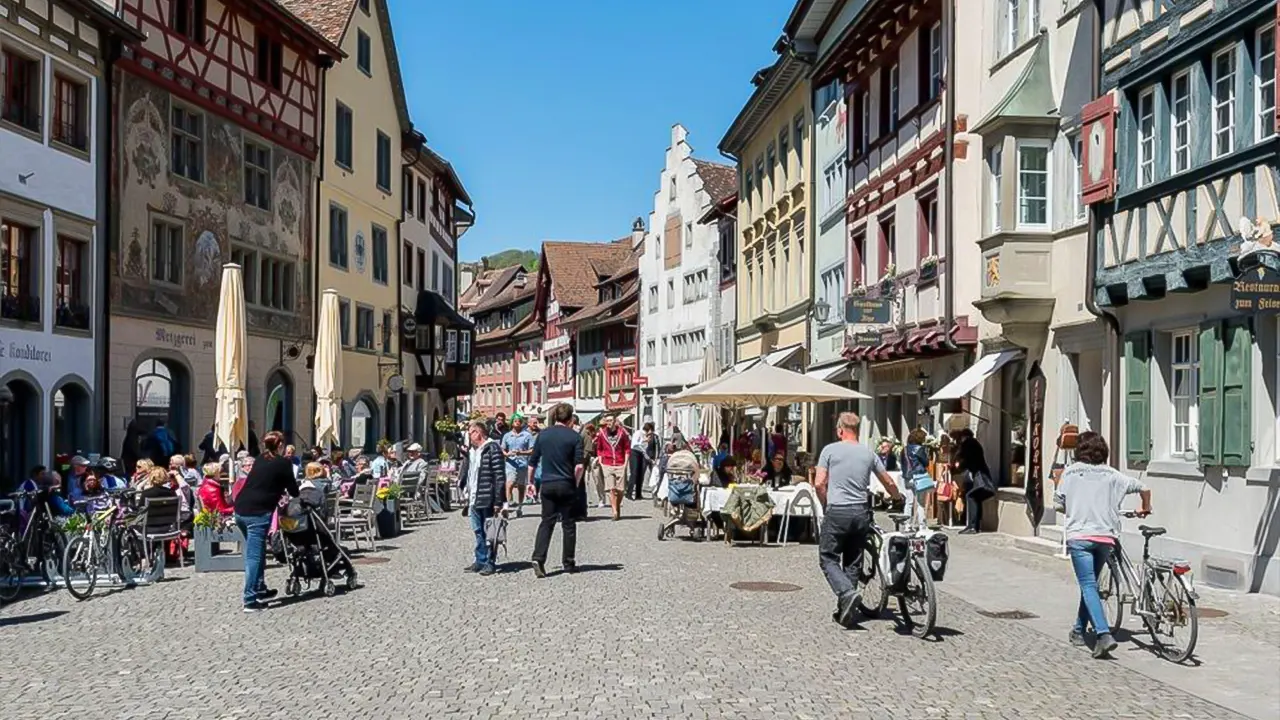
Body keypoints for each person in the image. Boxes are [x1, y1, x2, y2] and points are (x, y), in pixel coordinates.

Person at [1054, 432, 1152, 659]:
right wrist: (1145, 507)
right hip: (1105, 538)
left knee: (1088, 585)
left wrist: (1075, 506)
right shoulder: (1112, 475)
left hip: (1080, 537)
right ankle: (1078, 630)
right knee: (1090, 585)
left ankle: (1103, 633)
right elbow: (1144, 488)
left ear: (1079, 451)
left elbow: (1058, 504)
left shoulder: (1070, 472)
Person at [814, 412, 903, 629]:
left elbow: (819, 483)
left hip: (838, 511)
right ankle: (847, 612)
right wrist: (897, 498)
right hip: (861, 512)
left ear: (840, 430)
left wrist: (826, 504)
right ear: (857, 431)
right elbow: (888, 480)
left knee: (828, 558)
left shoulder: (830, 450)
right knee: (854, 560)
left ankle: (846, 593)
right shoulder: (868, 453)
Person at [232, 431, 299, 612]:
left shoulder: (261, 459)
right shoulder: (283, 463)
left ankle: (260, 589)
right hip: (257, 513)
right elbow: (293, 491)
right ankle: (250, 599)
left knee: (258, 551)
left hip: (240, 510)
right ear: (280, 446)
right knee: (254, 556)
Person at [529, 403, 585, 578]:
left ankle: (538, 557)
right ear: (570, 419)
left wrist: (530, 483)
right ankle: (568, 562)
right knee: (568, 524)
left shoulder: (543, 435)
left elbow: (532, 462)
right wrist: (575, 483)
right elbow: (579, 466)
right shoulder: (575, 437)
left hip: (547, 484)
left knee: (546, 522)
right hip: (566, 483)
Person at [458, 421, 504, 576]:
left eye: (470, 432)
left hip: (487, 496)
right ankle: (480, 560)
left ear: (479, 433)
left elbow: (499, 475)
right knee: (478, 531)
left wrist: (498, 500)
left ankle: (490, 562)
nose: (468, 436)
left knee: (489, 531)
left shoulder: (492, 448)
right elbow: (469, 471)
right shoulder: (473, 451)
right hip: (474, 496)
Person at [952, 428, 994, 535]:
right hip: (981, 475)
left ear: (963, 437)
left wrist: (957, 466)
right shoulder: (975, 443)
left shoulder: (968, 444)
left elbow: (964, 458)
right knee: (975, 497)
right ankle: (976, 525)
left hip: (980, 476)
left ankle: (972, 526)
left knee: (971, 496)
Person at [594, 414, 630, 520]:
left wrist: (626, 462)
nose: (609, 423)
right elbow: (599, 448)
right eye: (607, 421)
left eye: (611, 420)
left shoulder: (622, 433)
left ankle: (617, 506)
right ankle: (614, 511)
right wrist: (601, 460)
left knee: (621, 490)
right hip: (607, 463)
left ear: (615, 421)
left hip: (620, 463)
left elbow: (627, 448)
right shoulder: (602, 433)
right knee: (611, 489)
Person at [501, 416, 535, 517]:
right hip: (510, 464)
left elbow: (532, 450)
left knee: (521, 486)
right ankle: (506, 507)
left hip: (522, 464)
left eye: (519, 421)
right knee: (509, 484)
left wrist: (521, 453)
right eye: (515, 421)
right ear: (512, 423)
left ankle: (520, 506)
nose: (517, 423)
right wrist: (506, 454)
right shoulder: (507, 436)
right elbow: (502, 449)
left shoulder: (527, 436)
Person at [902, 429, 935, 526]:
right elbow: (926, 462)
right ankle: (922, 525)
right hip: (919, 476)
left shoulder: (904, 449)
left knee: (909, 502)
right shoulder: (919, 449)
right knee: (920, 503)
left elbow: (903, 463)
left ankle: (907, 525)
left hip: (908, 477)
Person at [627, 422, 653, 502]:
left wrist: (648, 458)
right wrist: (643, 440)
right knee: (634, 473)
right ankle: (629, 493)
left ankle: (638, 494)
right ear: (649, 430)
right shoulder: (638, 433)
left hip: (641, 454)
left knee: (641, 474)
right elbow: (635, 444)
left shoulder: (647, 437)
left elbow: (644, 449)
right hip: (634, 453)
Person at [580, 423, 604, 508]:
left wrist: (598, 458)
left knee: (597, 479)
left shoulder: (598, 437)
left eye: (588, 430)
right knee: (586, 480)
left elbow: (602, 449)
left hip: (595, 459)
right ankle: (588, 499)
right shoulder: (584, 435)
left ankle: (601, 498)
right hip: (586, 460)